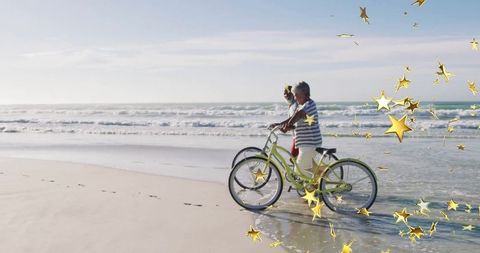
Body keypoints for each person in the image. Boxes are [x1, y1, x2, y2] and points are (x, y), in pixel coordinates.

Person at [273, 81, 322, 172]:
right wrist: (280, 125)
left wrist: (288, 125)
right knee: (309, 171)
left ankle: (314, 185)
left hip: (310, 144)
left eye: (296, 95)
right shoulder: (301, 105)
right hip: (306, 144)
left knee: (298, 171)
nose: (294, 97)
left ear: (303, 94)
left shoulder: (309, 105)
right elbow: (293, 117)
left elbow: (299, 114)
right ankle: (320, 182)